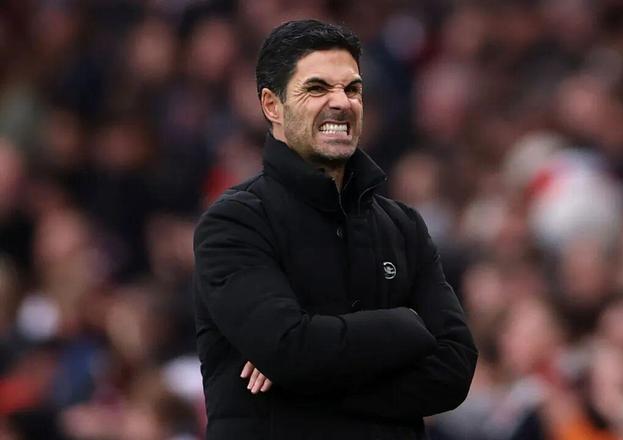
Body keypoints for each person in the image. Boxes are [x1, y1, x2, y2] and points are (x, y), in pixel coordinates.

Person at [193, 19, 478, 440]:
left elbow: (455, 369)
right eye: (317, 88)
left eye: (352, 89)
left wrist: (306, 383)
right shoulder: (235, 223)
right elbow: (288, 348)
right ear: (272, 106)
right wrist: (406, 325)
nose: (342, 102)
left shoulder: (403, 227)